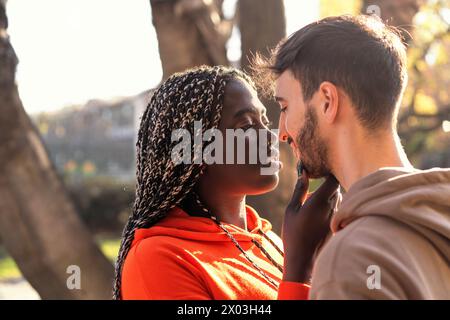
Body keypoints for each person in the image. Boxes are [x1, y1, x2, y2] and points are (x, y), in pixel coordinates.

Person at [258, 14, 450, 299]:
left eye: (285, 108)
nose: (282, 133)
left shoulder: (351, 262)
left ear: (327, 101)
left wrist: (299, 271)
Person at [113, 65, 336, 300]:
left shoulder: (267, 240)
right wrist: (301, 267)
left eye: (265, 120)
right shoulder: (157, 259)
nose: (270, 135)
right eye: (247, 126)